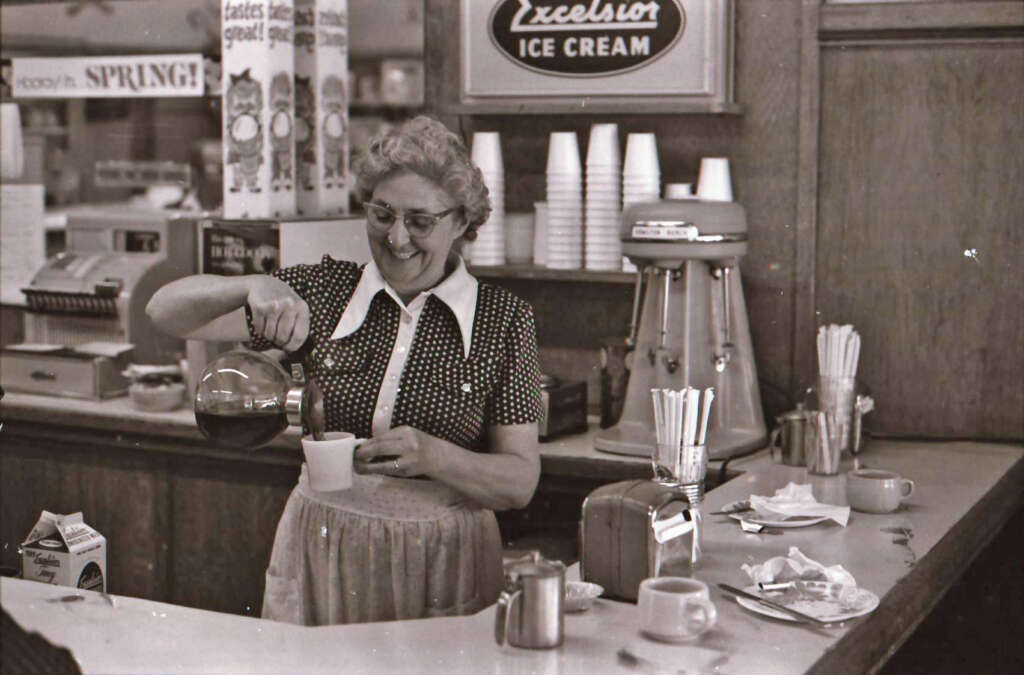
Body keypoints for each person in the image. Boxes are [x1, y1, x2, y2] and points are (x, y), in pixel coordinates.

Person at [146, 116, 543, 625]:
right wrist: (250, 284)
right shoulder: (324, 291)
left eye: (420, 221)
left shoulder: (502, 319)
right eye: (382, 214)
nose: (397, 238)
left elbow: (519, 481)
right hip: (323, 544)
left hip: (443, 559)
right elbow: (162, 311)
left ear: (461, 223)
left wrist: (435, 456)